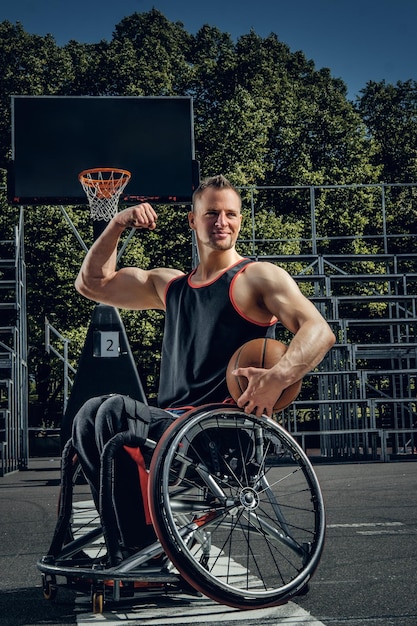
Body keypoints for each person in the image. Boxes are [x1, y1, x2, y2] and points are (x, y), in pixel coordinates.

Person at [72, 174, 335, 557]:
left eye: (230, 213)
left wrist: (277, 378)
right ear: (193, 221)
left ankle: (137, 547)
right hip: (173, 425)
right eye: (211, 213)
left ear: (240, 220)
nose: (221, 222)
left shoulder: (257, 277)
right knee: (88, 414)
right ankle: (135, 542)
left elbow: (319, 330)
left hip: (222, 431)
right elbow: (92, 284)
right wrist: (117, 223)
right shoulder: (172, 286)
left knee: (113, 410)